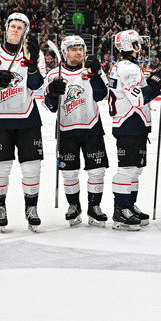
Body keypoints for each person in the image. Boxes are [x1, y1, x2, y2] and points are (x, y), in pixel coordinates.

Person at [0, 12, 45, 232]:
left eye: (19, 27)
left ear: (25, 32)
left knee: (32, 168)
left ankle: (31, 209)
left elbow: (37, 86)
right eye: (12, 26)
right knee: (0, 169)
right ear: (6, 28)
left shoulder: (34, 52)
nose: (15, 29)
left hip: (27, 118)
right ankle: (0, 208)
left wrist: (32, 65)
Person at [107, 30, 161, 230]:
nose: (141, 46)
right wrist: (157, 80)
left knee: (135, 169)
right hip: (128, 123)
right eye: (138, 43)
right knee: (127, 169)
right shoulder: (128, 68)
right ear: (132, 45)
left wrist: (154, 79)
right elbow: (138, 98)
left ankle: (128, 205)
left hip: (134, 124)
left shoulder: (125, 66)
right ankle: (120, 210)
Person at [43, 35, 109, 227]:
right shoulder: (53, 74)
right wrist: (53, 92)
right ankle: (74, 206)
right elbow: (50, 106)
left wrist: (96, 75)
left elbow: (101, 95)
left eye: (81, 49)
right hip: (66, 130)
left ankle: (94, 207)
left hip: (92, 127)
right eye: (74, 49)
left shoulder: (93, 70)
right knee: (69, 173)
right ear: (64, 52)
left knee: (97, 171)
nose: (79, 52)